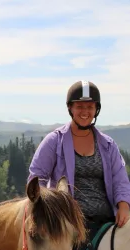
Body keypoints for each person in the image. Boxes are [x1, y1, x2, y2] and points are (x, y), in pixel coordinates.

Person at [29, 80, 130, 227]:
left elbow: (120, 179)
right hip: (67, 224)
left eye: (90, 107)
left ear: (97, 109)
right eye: (79, 106)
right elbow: (37, 177)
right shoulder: (54, 141)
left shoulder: (108, 145)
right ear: (70, 108)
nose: (85, 112)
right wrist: (44, 210)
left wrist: (124, 205)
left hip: (107, 222)